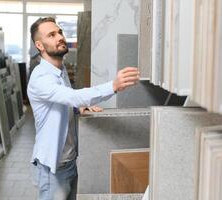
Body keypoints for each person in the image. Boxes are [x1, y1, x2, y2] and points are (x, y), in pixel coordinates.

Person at [27, 17, 140, 200]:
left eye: (60, 32)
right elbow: (72, 96)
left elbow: (64, 100)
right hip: (53, 168)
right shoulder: (40, 78)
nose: (60, 37)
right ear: (40, 45)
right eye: (52, 35)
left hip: (69, 162)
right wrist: (113, 85)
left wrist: (77, 109)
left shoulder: (59, 70)